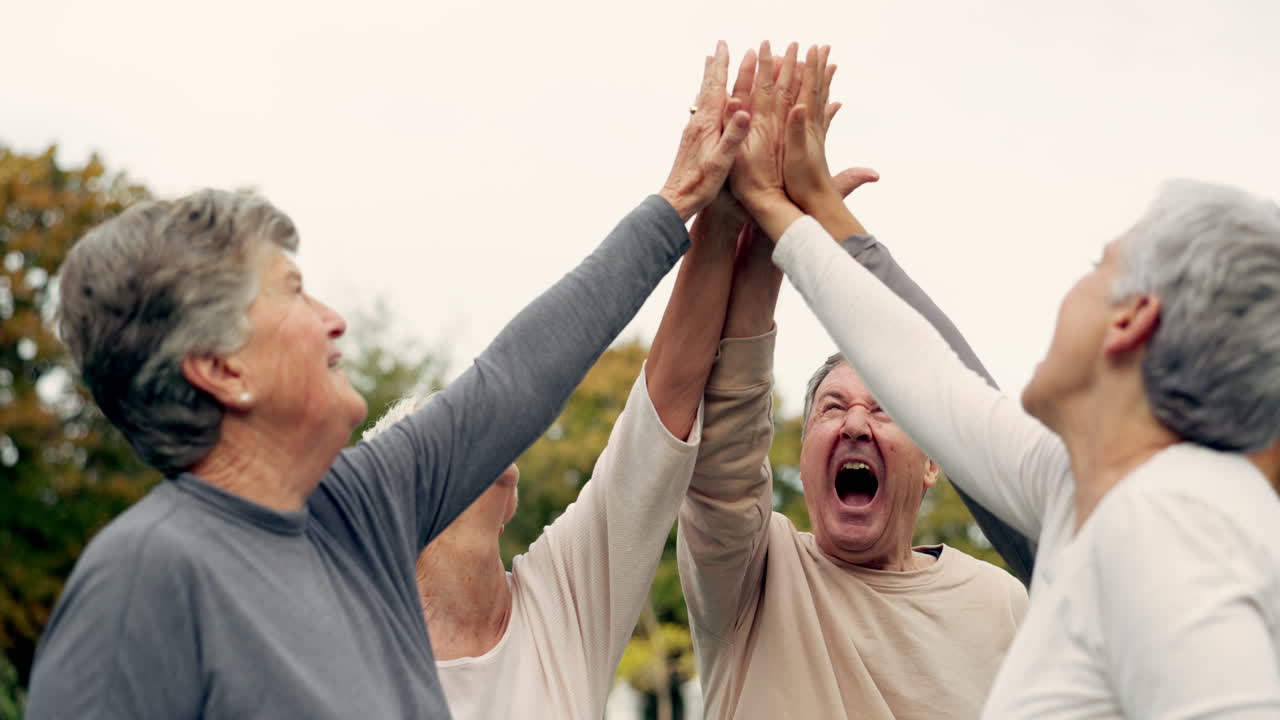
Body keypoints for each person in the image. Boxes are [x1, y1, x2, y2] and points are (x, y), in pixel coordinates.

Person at [24, 43, 752, 720]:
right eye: (294, 293)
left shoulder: (361, 509)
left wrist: (681, 198)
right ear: (222, 369)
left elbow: (517, 376)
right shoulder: (142, 582)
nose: (333, 320)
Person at [751, 43, 1280, 719]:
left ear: (1131, 320)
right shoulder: (1082, 486)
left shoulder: (1175, 529)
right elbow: (929, 375)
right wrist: (798, 209)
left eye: (1098, 267)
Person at [677, 43, 1028, 720]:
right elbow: (725, 452)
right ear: (804, 457)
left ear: (935, 460)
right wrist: (767, 233)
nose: (856, 425)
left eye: (885, 409)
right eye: (832, 409)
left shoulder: (1003, 605)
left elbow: (952, 386)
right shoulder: (751, 575)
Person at [361, 182, 746, 719]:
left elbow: (663, 408)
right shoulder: (344, 654)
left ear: (509, 503)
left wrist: (721, 214)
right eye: (444, 438)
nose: (481, 435)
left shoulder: (562, 601)